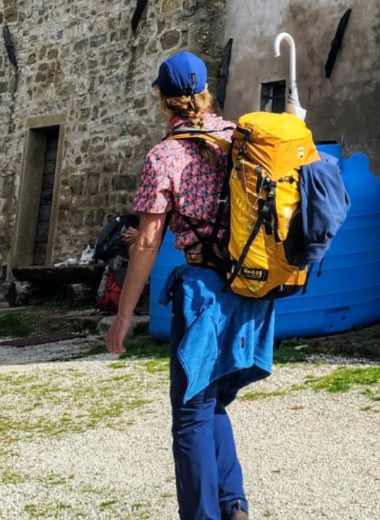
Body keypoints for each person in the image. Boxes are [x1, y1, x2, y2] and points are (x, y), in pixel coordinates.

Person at [108, 52, 273, 520]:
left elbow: (147, 242)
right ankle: (231, 503)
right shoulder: (242, 140)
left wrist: (124, 314)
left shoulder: (165, 156)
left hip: (203, 292)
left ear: (163, 100)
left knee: (191, 411)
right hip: (250, 284)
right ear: (205, 91)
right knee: (212, 396)